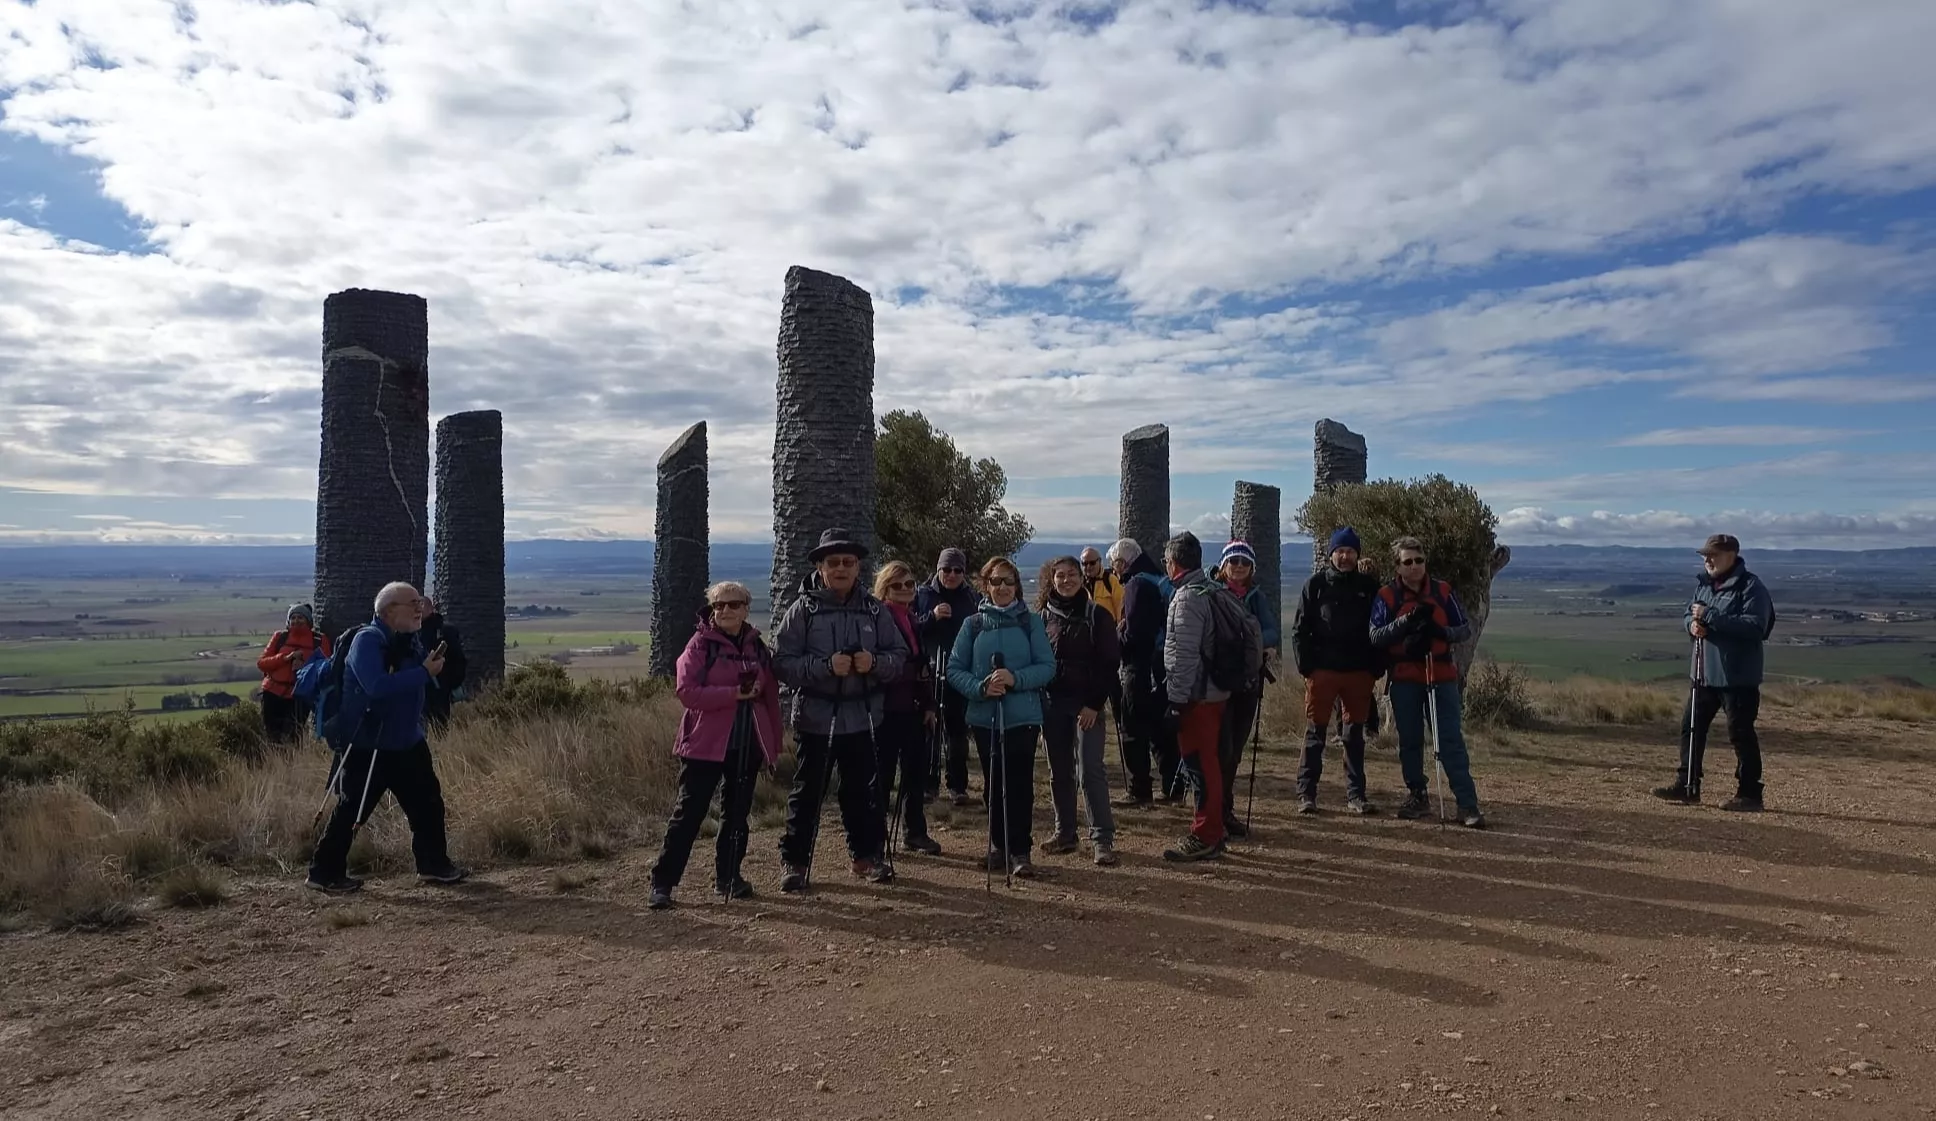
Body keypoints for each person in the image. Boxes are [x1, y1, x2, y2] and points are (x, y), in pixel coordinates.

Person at [305, 582, 468, 893]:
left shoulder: (408, 639)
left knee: (428, 805)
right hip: (370, 743)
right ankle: (323, 873)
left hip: (407, 740)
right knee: (353, 808)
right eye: (412, 602)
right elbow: (375, 686)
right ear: (389, 610)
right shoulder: (367, 640)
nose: (420, 607)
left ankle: (433, 865)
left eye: (419, 601)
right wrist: (424, 672)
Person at [773, 528, 908, 891]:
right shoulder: (803, 610)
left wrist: (875, 663)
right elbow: (782, 663)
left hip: (864, 717)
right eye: (833, 562)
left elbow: (899, 658)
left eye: (848, 562)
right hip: (816, 718)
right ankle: (795, 861)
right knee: (808, 792)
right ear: (820, 566)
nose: (842, 568)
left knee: (863, 791)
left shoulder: (874, 609)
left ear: (858, 566)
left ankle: (867, 856)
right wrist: (824, 668)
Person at [649, 581, 783, 909]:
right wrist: (732, 695)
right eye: (718, 605)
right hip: (704, 746)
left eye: (733, 604)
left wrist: (773, 741)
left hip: (745, 743)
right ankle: (663, 883)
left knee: (736, 815)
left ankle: (729, 877)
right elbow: (687, 692)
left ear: (746, 609)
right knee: (688, 815)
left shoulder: (756, 646)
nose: (724, 610)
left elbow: (768, 694)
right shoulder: (700, 645)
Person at [947, 556, 1057, 878]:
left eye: (1009, 581)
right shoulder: (973, 624)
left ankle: (1020, 851)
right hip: (984, 717)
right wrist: (980, 688)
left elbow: (1047, 667)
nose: (1003, 587)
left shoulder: (1030, 622)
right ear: (986, 585)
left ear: (1017, 586)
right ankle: (998, 846)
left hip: (1022, 717)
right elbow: (954, 669)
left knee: (1020, 784)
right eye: (997, 581)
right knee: (993, 784)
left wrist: (1015, 679)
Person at [1368, 537, 1486, 828]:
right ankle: (1417, 795)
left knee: (1449, 740)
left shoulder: (1442, 591)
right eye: (1408, 562)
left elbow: (1463, 630)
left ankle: (1467, 804)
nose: (1415, 566)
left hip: (1440, 674)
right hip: (1405, 677)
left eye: (1419, 560)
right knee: (1409, 741)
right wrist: (1405, 624)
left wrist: (1439, 631)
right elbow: (1375, 635)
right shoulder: (1387, 595)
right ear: (1398, 565)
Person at [1653, 534, 1774, 811]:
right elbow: (1689, 614)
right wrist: (1691, 626)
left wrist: (1710, 617)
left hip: (1737, 678)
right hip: (1703, 674)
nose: (1707, 560)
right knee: (1691, 729)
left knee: (1741, 734)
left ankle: (1750, 794)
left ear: (1731, 555)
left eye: (1713, 555)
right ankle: (1687, 786)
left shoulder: (1751, 587)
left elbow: (1757, 627)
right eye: (1705, 555)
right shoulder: (1704, 586)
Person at [1035, 555, 1122, 866]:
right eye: (1060, 575)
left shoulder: (1097, 615)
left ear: (1081, 578)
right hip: (1052, 704)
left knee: (1090, 771)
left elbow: (1110, 663)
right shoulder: (1043, 617)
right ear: (1052, 578)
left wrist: (1094, 705)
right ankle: (1065, 834)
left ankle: (1101, 839)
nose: (1066, 580)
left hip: (1087, 706)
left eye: (1072, 574)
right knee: (1059, 772)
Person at [1291, 527, 1383, 816]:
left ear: (1357, 555)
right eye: (1340, 551)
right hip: (1323, 671)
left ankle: (1356, 796)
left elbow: (1378, 629)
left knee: (1354, 737)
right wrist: (1306, 667)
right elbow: (1299, 629)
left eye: (1350, 551)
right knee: (1315, 734)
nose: (1345, 556)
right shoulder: (1315, 585)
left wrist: (1375, 669)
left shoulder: (1369, 588)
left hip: (1358, 672)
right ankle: (1307, 794)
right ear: (1331, 553)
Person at [1159, 532, 1229, 862]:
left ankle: (1205, 835)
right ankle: (1213, 828)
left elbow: (1182, 655)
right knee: (1209, 764)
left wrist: (1175, 701)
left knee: (1200, 767)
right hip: (1216, 692)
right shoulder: (1214, 588)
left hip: (1196, 697)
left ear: (1173, 564)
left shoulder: (1187, 597)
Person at [1211, 540, 1281, 837]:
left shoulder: (1256, 596)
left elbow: (1272, 631)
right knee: (1221, 749)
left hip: (1247, 683)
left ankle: (1225, 811)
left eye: (1244, 562)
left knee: (1235, 750)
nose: (1238, 566)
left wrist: (1246, 640)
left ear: (1252, 567)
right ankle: (1215, 813)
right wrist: (1250, 639)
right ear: (1224, 565)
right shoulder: (1212, 593)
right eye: (1233, 561)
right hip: (1217, 682)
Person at [874, 561, 943, 855]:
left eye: (909, 584)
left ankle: (914, 833)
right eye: (897, 585)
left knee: (915, 776)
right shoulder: (878, 618)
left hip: (913, 709)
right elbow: (880, 666)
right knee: (882, 778)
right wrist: (912, 674)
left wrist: (928, 705)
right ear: (884, 589)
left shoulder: (911, 617)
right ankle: (874, 840)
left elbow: (922, 665)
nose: (905, 590)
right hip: (886, 710)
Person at [1108, 537, 1181, 806]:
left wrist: (1116, 637)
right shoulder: (1158, 579)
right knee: (1161, 729)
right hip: (1162, 666)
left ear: (1121, 562)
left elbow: (1135, 633)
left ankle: (1140, 790)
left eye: (1113, 564)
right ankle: (1173, 788)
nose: (1114, 571)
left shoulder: (1136, 584)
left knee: (1133, 728)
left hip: (1140, 667)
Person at [915, 547, 980, 805]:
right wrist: (931, 617)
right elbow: (910, 627)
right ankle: (929, 785)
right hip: (928, 671)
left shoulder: (971, 597)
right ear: (938, 569)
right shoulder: (922, 594)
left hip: (960, 672)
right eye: (947, 569)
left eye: (957, 570)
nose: (951, 575)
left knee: (957, 731)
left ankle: (958, 786)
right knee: (929, 729)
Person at [256, 603, 331, 743]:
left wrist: (306, 666)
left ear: (309, 621)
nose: (296, 621)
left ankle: (291, 763)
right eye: (293, 617)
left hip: (301, 695)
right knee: (271, 735)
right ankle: (274, 762)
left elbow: (326, 668)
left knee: (293, 736)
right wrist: (285, 658)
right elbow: (262, 663)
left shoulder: (319, 641)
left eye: (301, 617)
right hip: (272, 693)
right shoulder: (280, 637)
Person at [417, 596, 469, 728]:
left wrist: (447, 685)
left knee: (439, 727)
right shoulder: (411, 632)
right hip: (418, 689)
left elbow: (458, 660)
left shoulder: (445, 631)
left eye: (421, 605)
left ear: (430, 608)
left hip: (438, 689)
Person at [1081, 547, 1124, 622]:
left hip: (1108, 629)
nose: (1088, 567)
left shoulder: (1110, 580)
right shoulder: (1078, 582)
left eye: (1092, 563)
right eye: (1084, 563)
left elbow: (1120, 606)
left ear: (1100, 561)